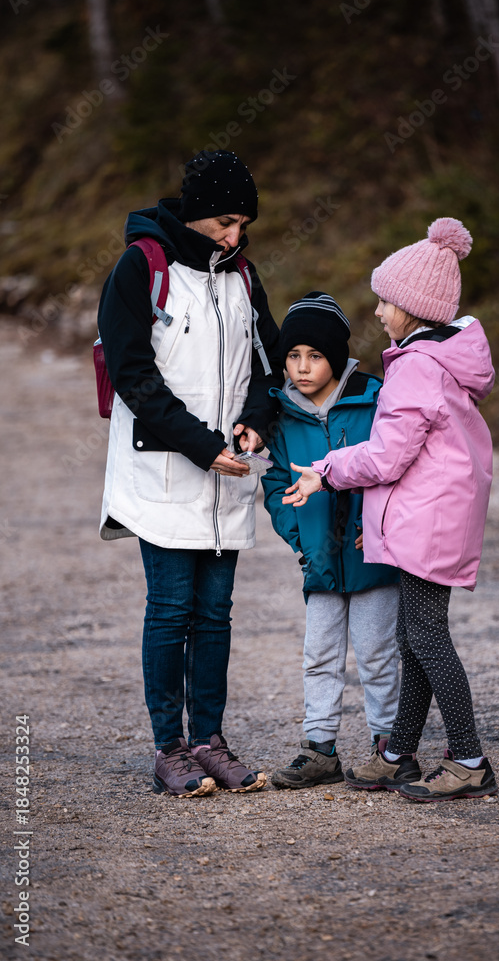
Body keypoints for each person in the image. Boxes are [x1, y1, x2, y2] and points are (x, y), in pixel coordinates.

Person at [282, 218, 499, 802]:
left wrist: (326, 470)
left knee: (427, 637)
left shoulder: (417, 367)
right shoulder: (438, 359)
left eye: (386, 301)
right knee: (413, 636)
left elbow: (386, 456)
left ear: (413, 309)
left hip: (429, 520)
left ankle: (469, 760)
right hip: (433, 515)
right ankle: (397, 753)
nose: (378, 311)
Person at [98, 150, 283, 798]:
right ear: (198, 214)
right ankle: (169, 749)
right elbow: (133, 376)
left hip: (227, 473)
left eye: (244, 225)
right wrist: (203, 447)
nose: (235, 236)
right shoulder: (140, 267)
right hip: (162, 471)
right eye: (226, 222)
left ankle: (209, 741)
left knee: (215, 614)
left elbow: (268, 365)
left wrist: (256, 421)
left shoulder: (244, 277)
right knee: (171, 609)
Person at [262, 293, 402, 789]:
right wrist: (298, 538)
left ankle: (389, 747)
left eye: (315, 356)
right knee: (319, 656)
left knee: (377, 656)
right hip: (318, 559)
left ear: (337, 357)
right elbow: (275, 484)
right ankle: (319, 749)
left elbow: (393, 464)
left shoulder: (375, 400)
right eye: (293, 356)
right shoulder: (281, 414)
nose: (302, 367)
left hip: (373, 557)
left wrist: (381, 524)